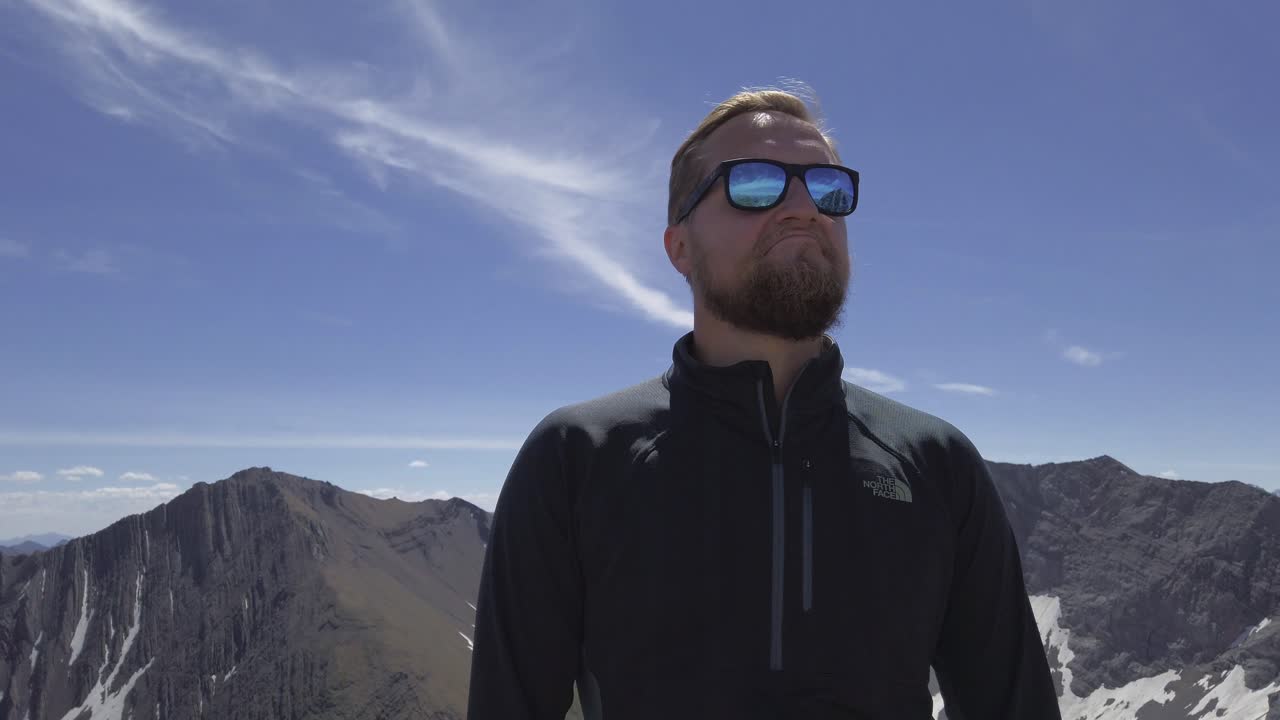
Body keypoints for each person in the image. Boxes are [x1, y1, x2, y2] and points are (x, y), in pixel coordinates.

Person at [466, 84, 1061, 719]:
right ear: (679, 248)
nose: (805, 207)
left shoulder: (937, 463)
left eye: (829, 189)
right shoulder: (575, 458)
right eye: (756, 184)